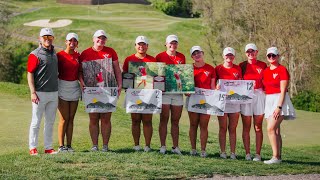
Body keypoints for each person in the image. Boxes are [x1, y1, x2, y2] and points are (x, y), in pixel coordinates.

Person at [79, 30, 122, 152]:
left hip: (108, 89)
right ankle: (94, 145)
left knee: (106, 118)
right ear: (93, 39)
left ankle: (105, 146)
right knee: (93, 118)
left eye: (103, 38)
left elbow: (117, 69)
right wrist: (81, 82)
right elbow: (80, 72)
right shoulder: (85, 53)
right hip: (91, 90)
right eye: (99, 38)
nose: (101, 40)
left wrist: (119, 84)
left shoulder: (110, 52)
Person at [27, 28, 58, 155]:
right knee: (36, 122)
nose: (47, 39)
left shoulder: (54, 53)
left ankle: (48, 147)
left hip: (54, 93)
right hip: (39, 93)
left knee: (50, 122)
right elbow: (30, 73)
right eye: (45, 37)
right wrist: (33, 92)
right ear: (40, 39)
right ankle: (32, 147)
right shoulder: (35, 54)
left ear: (52, 39)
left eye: (50, 37)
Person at [122, 36, 156, 152]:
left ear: (147, 46)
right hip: (134, 93)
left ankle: (147, 146)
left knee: (147, 120)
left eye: (143, 44)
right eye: (139, 44)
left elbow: (156, 77)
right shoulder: (129, 59)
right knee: (135, 120)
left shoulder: (153, 60)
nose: (141, 46)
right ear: (135, 46)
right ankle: (136, 145)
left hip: (148, 93)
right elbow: (125, 75)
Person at [263, 47, 296, 164]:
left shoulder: (282, 70)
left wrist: (279, 107)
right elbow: (264, 88)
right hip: (269, 99)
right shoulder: (265, 71)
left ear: (278, 56)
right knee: (275, 130)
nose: (271, 57)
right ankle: (279, 157)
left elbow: (283, 91)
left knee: (270, 129)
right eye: (269, 56)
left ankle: (275, 157)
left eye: (273, 55)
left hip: (279, 100)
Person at [156, 35, 186, 154]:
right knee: (164, 119)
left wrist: (186, 88)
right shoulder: (159, 56)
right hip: (164, 93)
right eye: (170, 43)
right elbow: (156, 74)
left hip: (177, 93)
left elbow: (183, 74)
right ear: (166, 44)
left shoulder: (181, 56)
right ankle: (163, 146)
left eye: (175, 43)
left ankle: (175, 147)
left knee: (175, 121)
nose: (172, 45)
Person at [239, 43, 267, 161]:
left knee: (258, 127)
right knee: (246, 126)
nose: (250, 53)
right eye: (248, 52)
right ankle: (247, 154)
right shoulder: (242, 65)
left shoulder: (263, 65)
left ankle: (257, 154)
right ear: (246, 53)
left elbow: (267, 81)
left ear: (256, 52)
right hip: (246, 95)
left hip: (259, 95)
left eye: (252, 51)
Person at [187, 46, 216, 158]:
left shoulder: (210, 68)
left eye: (198, 53)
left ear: (202, 53)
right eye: (194, 54)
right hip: (193, 99)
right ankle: (193, 149)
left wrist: (216, 94)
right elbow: (186, 86)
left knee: (204, 125)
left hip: (207, 100)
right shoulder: (189, 68)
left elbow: (213, 87)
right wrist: (187, 92)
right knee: (193, 124)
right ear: (192, 57)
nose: (197, 55)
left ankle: (203, 150)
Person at [215, 47, 242, 160]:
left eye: (231, 55)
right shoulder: (218, 68)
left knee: (233, 128)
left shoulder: (238, 68)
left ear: (234, 56)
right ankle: (222, 152)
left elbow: (241, 84)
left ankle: (232, 153)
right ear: (223, 56)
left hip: (235, 102)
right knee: (222, 127)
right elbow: (213, 83)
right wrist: (216, 87)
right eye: (227, 55)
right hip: (222, 102)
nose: (229, 57)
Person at [57, 33, 81, 153]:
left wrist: (82, 83)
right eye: (70, 40)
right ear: (66, 42)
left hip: (75, 87)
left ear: (77, 43)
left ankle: (69, 145)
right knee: (64, 118)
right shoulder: (59, 55)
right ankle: (61, 146)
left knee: (71, 118)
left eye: (75, 41)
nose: (72, 43)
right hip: (62, 86)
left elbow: (80, 72)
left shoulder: (78, 55)